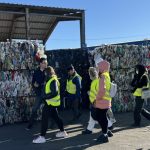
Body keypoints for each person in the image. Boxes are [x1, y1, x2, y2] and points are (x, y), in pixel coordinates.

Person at [33, 66, 68, 144]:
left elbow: (55, 92)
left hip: (50, 103)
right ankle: (63, 132)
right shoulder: (51, 79)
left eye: (45, 72)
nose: (44, 74)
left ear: (47, 72)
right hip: (52, 103)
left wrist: (45, 97)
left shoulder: (53, 80)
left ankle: (42, 137)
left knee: (44, 119)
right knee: (56, 117)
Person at [82, 67, 115, 135]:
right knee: (99, 117)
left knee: (97, 117)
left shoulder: (95, 81)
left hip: (96, 102)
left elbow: (98, 92)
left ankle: (105, 130)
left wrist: (91, 95)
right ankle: (108, 127)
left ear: (90, 74)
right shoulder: (98, 80)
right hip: (98, 102)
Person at [93, 60, 112, 143]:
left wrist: (96, 99)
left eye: (99, 67)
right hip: (106, 100)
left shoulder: (102, 76)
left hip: (101, 101)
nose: (98, 68)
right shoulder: (107, 75)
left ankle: (105, 135)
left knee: (100, 117)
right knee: (102, 117)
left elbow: (101, 91)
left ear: (102, 67)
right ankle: (106, 131)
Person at [26, 58, 47, 130]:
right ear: (40, 64)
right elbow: (33, 82)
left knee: (51, 108)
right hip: (39, 94)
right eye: (44, 63)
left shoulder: (47, 71)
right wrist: (35, 86)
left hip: (47, 94)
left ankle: (54, 124)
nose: (45, 64)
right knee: (34, 109)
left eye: (46, 63)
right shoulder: (36, 72)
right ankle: (30, 125)